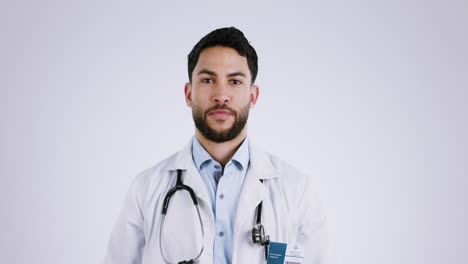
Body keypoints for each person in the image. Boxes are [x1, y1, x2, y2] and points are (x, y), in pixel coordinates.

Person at [104, 27, 328, 264]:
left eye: (234, 81)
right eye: (208, 80)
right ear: (188, 94)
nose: (221, 95)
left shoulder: (296, 190)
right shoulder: (146, 189)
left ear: (253, 96)